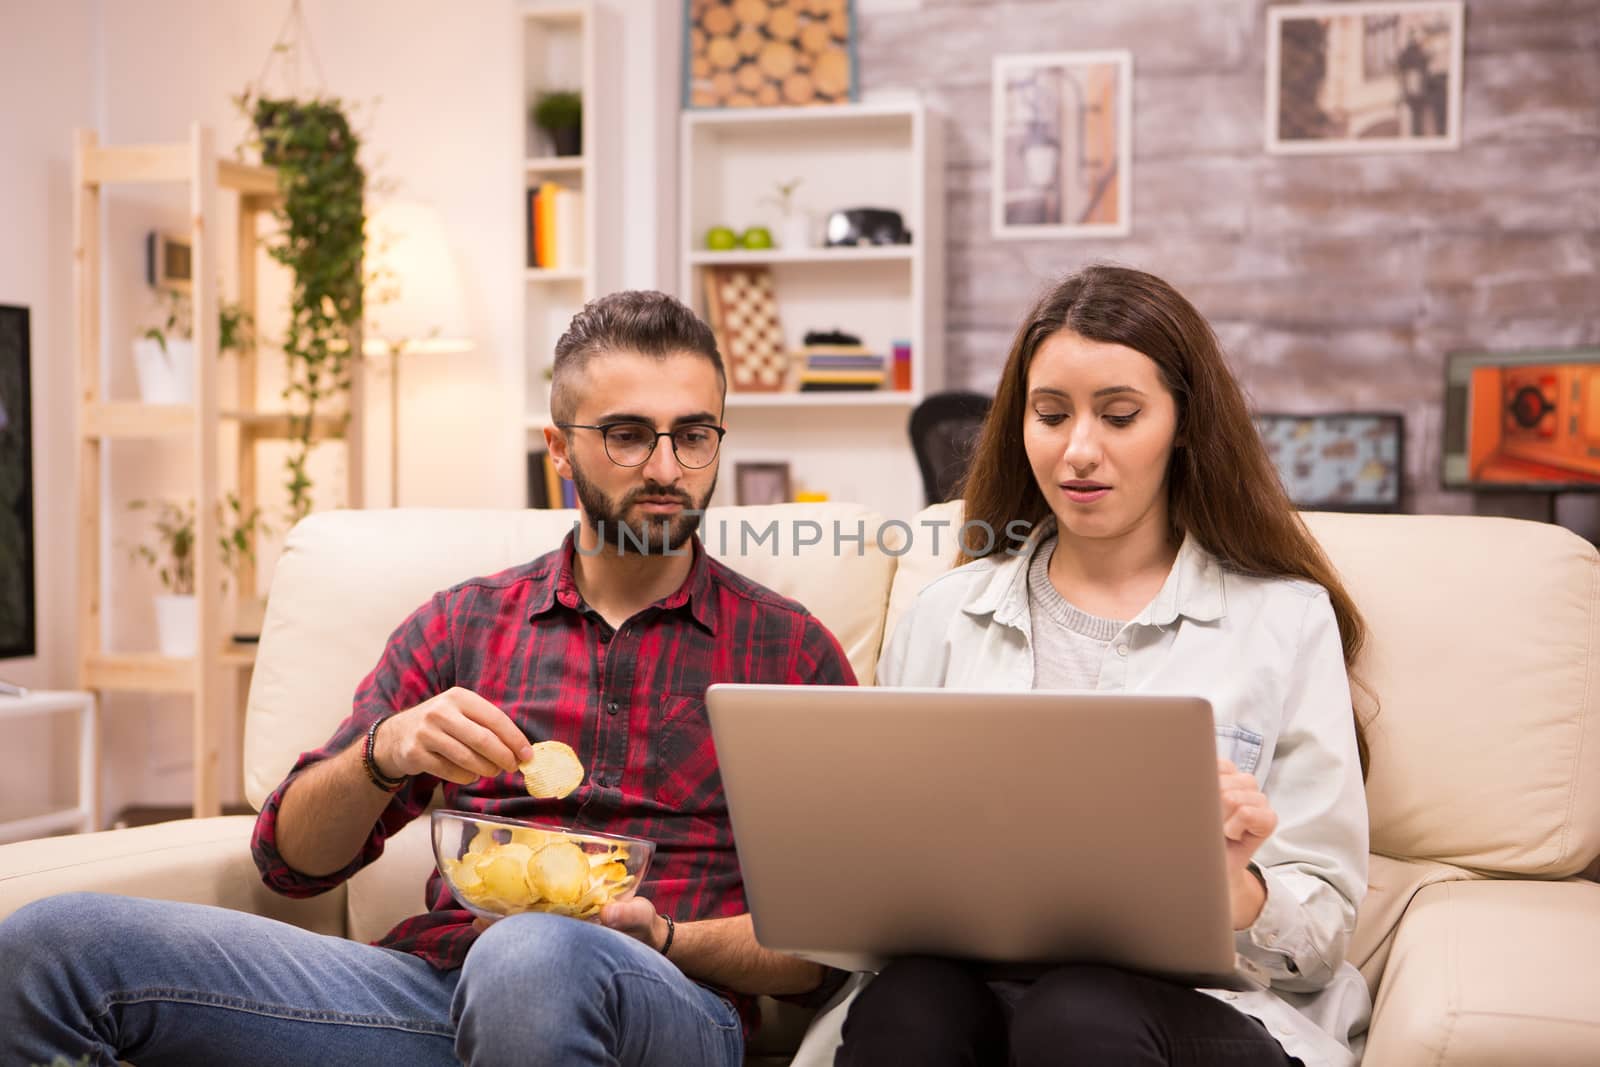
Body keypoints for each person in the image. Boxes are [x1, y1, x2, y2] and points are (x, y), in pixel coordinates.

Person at [0, 290, 855, 1067]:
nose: (666, 467)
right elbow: (288, 860)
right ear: (559, 447)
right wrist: (386, 750)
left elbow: (830, 946)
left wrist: (666, 937)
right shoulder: (464, 623)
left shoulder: (790, 652)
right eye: (628, 435)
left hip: (669, 1000)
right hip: (426, 991)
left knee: (532, 954)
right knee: (51, 945)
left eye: (694, 434)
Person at [824, 265, 1371, 1067]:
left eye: (1120, 416)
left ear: (1183, 422)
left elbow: (1320, 937)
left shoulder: (1283, 619)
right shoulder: (944, 616)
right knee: (907, 1003)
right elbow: (878, 884)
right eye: (1051, 415)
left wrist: (1230, 887)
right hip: (976, 989)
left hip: (1199, 1012)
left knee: (1078, 1009)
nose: (1080, 450)